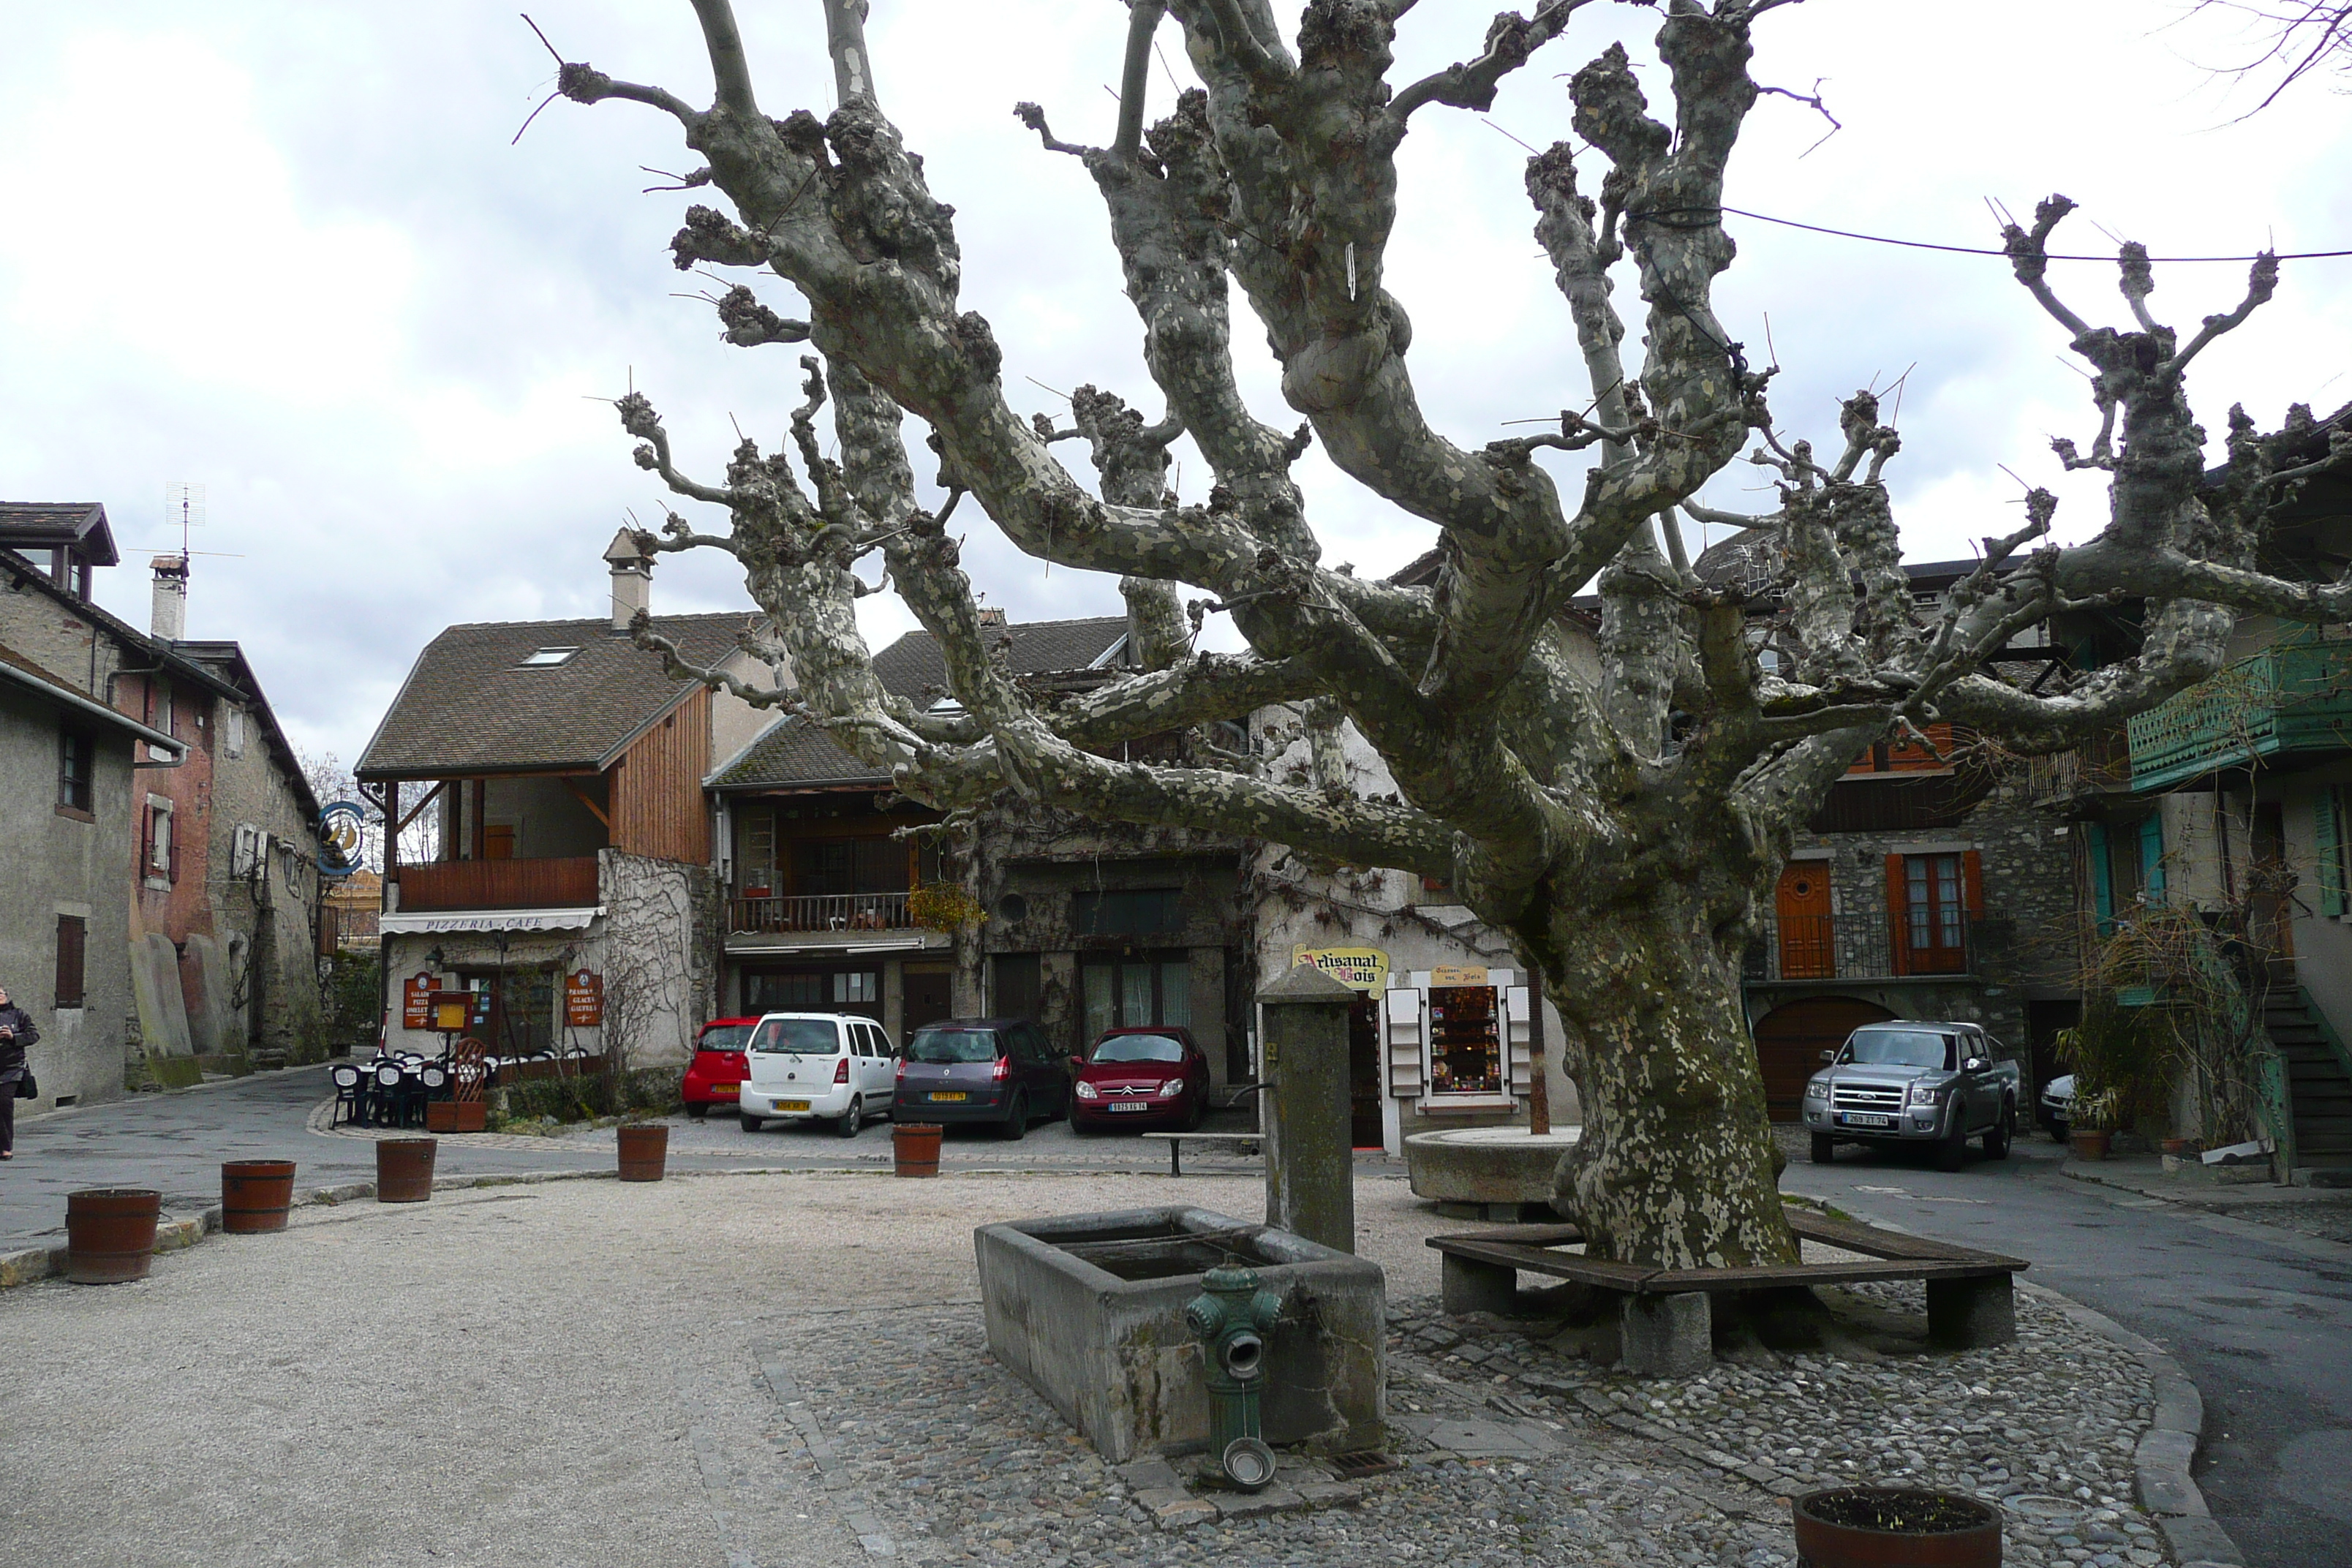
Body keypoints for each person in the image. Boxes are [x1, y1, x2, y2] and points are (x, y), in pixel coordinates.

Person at [0, 981, 37, 1160]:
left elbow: (33, 1035)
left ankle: (6, 1148)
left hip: (12, 1068)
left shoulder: (19, 1015)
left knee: (4, 1103)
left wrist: (13, 1037)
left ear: (6, 996)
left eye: (1, 994)